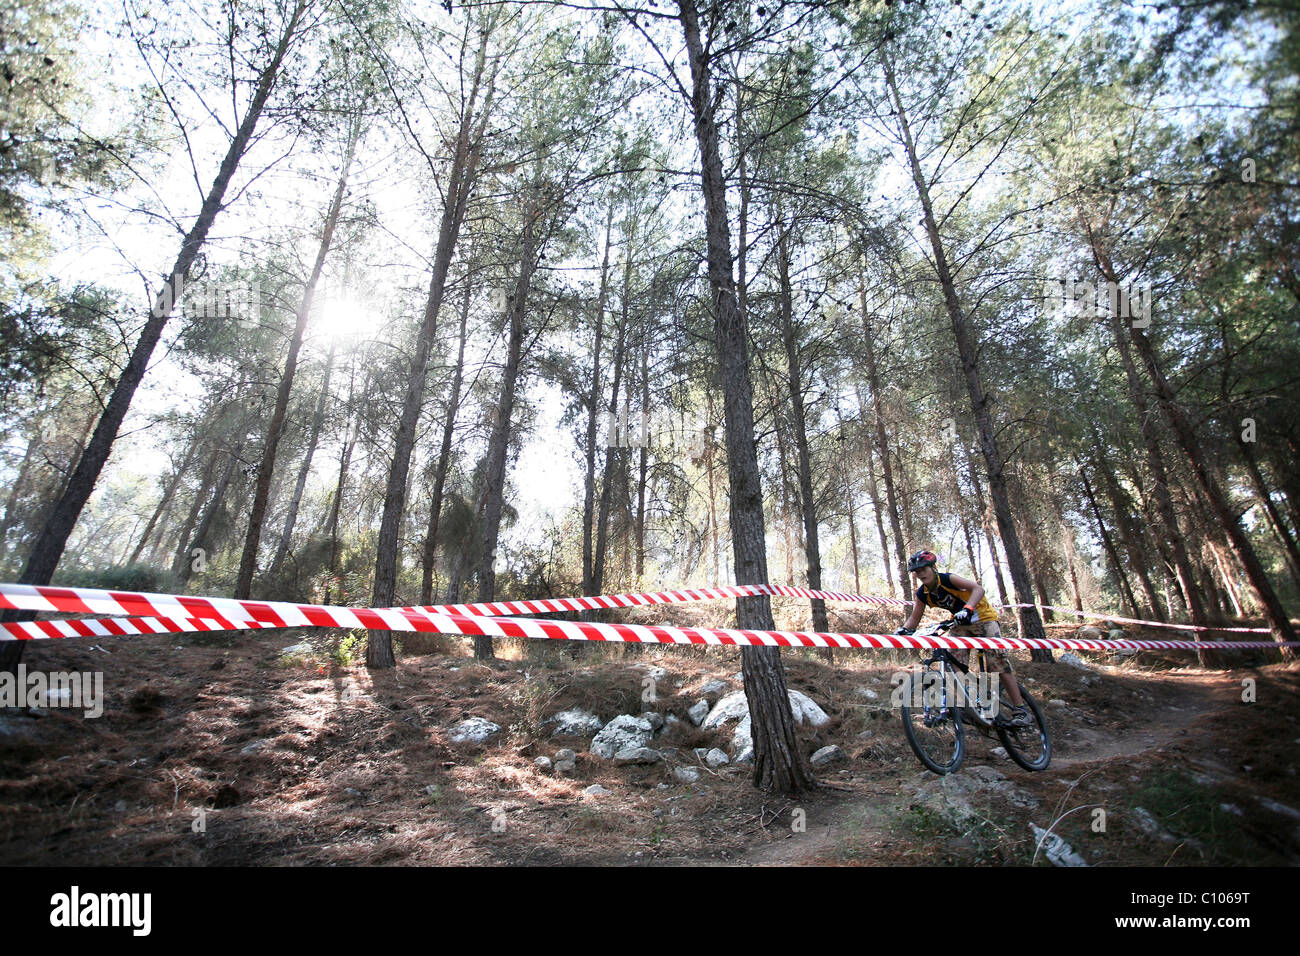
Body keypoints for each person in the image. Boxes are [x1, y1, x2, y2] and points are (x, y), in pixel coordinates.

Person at [894, 549, 1032, 727]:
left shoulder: (947, 579)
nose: (920, 574)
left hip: (984, 619)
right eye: (917, 572)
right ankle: (963, 705)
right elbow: (914, 618)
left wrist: (968, 608)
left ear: (932, 567)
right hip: (960, 625)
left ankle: (1020, 709)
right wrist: (903, 631)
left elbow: (978, 589)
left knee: (997, 662)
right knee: (954, 662)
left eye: (923, 569)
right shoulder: (923, 594)